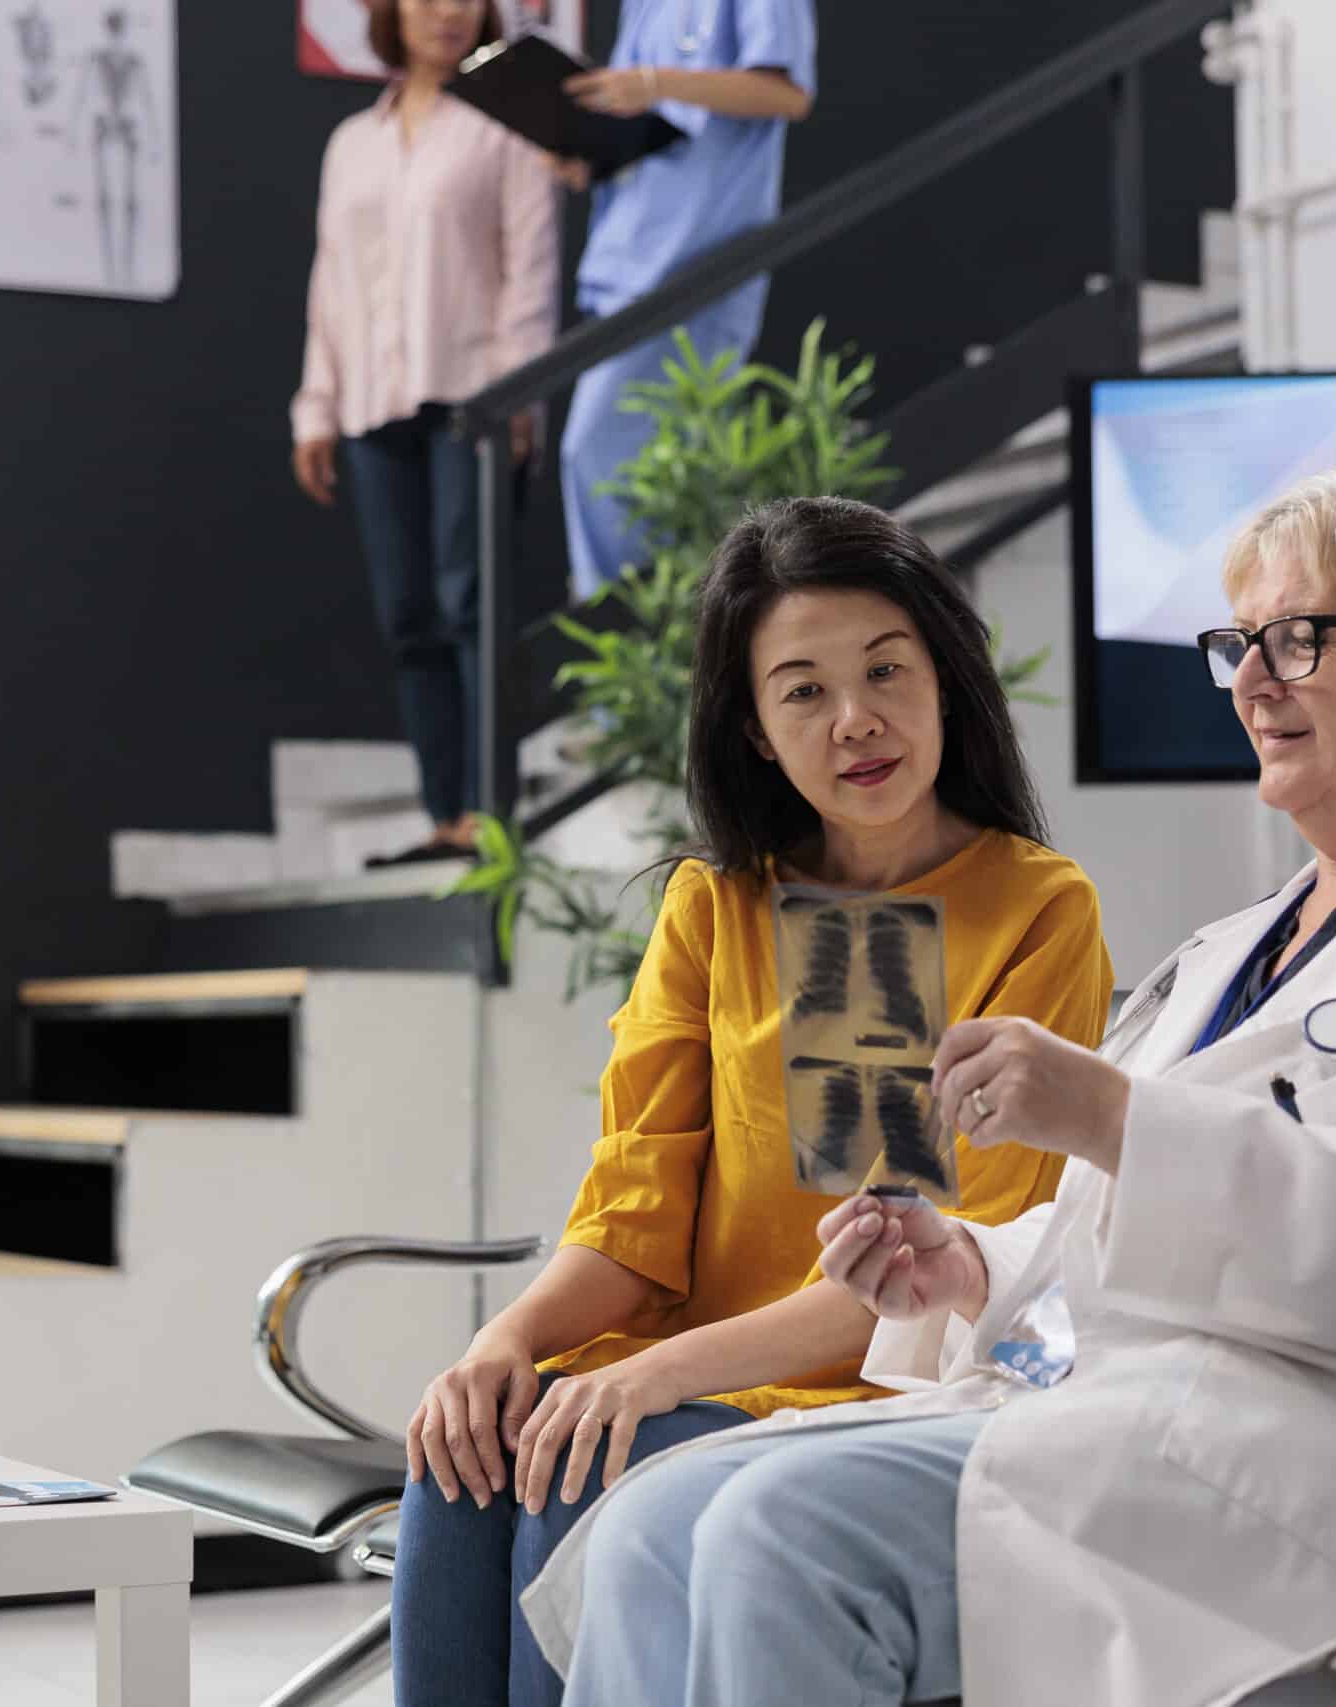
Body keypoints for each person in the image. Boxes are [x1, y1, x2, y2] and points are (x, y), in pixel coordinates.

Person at [525, 454, 1336, 1707]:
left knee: (781, 1531)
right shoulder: (1228, 952)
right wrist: (967, 1270)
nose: (1250, 682)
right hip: (1144, 1423)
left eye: (1299, 639)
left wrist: (1107, 1113)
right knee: (657, 1527)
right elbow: (1107, 1236)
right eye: (1239, 643)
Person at [392, 497, 1114, 1707]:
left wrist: (654, 1378)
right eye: (802, 690)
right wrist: (500, 1344)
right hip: (685, 1367)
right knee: (459, 1461)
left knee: (573, 1461)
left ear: (946, 677)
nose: (856, 721)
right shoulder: (714, 905)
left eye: (886, 669)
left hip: (876, 1393)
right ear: (755, 731)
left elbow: (943, 1273)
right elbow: (632, 1218)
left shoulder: (1038, 907)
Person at [292, 0, 558, 865]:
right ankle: (447, 815)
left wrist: (521, 396)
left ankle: (492, 813)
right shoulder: (352, 145)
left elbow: (530, 270)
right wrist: (316, 406)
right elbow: (332, 281)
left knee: (469, 602)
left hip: (472, 400)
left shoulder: (502, 125)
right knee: (408, 614)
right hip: (372, 404)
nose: (447, 11)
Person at [553, 0, 817, 599]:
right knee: (642, 488)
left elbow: (786, 93)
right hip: (627, 267)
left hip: (693, 272)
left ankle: (637, 669)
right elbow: (660, 129)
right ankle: (648, 673)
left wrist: (653, 84)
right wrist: (592, 155)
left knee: (599, 459)